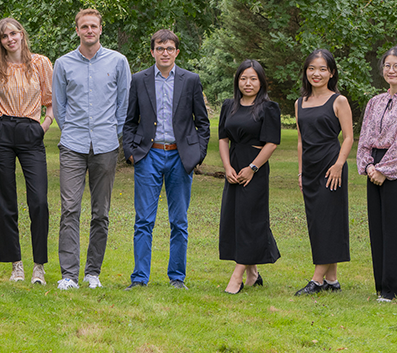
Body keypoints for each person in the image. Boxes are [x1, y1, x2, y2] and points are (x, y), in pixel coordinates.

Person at [121, 29, 209, 290]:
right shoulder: (139, 79)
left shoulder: (190, 80)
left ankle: (177, 277)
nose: (165, 53)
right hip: (148, 155)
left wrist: (197, 154)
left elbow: (203, 123)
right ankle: (139, 278)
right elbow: (129, 121)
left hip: (180, 157)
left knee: (179, 221)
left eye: (169, 48)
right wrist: (130, 152)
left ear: (177, 52)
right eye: (160, 48)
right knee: (143, 220)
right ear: (152, 52)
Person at [52, 8, 131, 290]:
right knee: (69, 209)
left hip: (106, 146)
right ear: (77, 30)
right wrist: (72, 131)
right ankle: (69, 275)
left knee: (101, 212)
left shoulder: (118, 62)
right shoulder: (63, 64)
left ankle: (92, 272)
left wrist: (112, 132)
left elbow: (124, 104)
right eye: (84, 26)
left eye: (93, 26)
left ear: (100, 29)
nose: (89, 31)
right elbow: (59, 106)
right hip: (72, 145)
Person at [0, 18, 53, 285]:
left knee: (39, 201)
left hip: (30, 130)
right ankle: (16, 265)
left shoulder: (40, 63)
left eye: (13, 33)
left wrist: (44, 126)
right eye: (4, 36)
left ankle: (39, 266)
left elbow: (50, 101)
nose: (10, 39)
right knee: (6, 200)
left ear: (22, 34)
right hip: (1, 130)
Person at [356, 46, 397, 301]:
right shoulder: (375, 102)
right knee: (378, 228)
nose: (391, 70)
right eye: (387, 65)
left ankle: (396, 287)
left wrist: (384, 170)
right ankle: (382, 283)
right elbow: (365, 137)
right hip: (374, 167)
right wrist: (368, 166)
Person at [217, 59, 282, 294]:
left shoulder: (268, 108)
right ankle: (253, 273)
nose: (248, 83)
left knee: (251, 218)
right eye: (243, 78)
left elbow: (272, 143)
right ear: (237, 81)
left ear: (261, 81)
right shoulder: (229, 105)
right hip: (234, 166)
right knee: (236, 217)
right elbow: (223, 139)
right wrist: (227, 167)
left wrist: (252, 168)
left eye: (253, 79)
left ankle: (237, 276)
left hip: (255, 168)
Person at [294, 49, 353, 296]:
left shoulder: (339, 101)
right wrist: (300, 172)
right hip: (310, 169)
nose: (316, 74)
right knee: (318, 222)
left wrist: (339, 164)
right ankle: (332, 279)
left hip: (331, 167)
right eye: (311, 69)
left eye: (322, 69)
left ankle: (316, 281)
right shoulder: (300, 103)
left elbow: (348, 137)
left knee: (328, 221)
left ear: (331, 73)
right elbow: (300, 141)